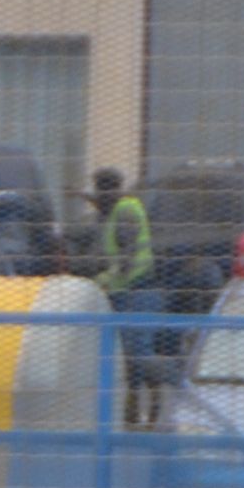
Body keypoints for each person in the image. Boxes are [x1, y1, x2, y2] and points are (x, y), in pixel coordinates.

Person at [89, 167, 161, 425]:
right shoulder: (109, 213)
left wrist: (103, 280)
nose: (102, 195)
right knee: (126, 353)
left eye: (105, 189)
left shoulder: (126, 210)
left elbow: (126, 259)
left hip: (140, 289)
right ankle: (131, 408)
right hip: (123, 292)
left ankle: (154, 400)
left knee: (138, 350)